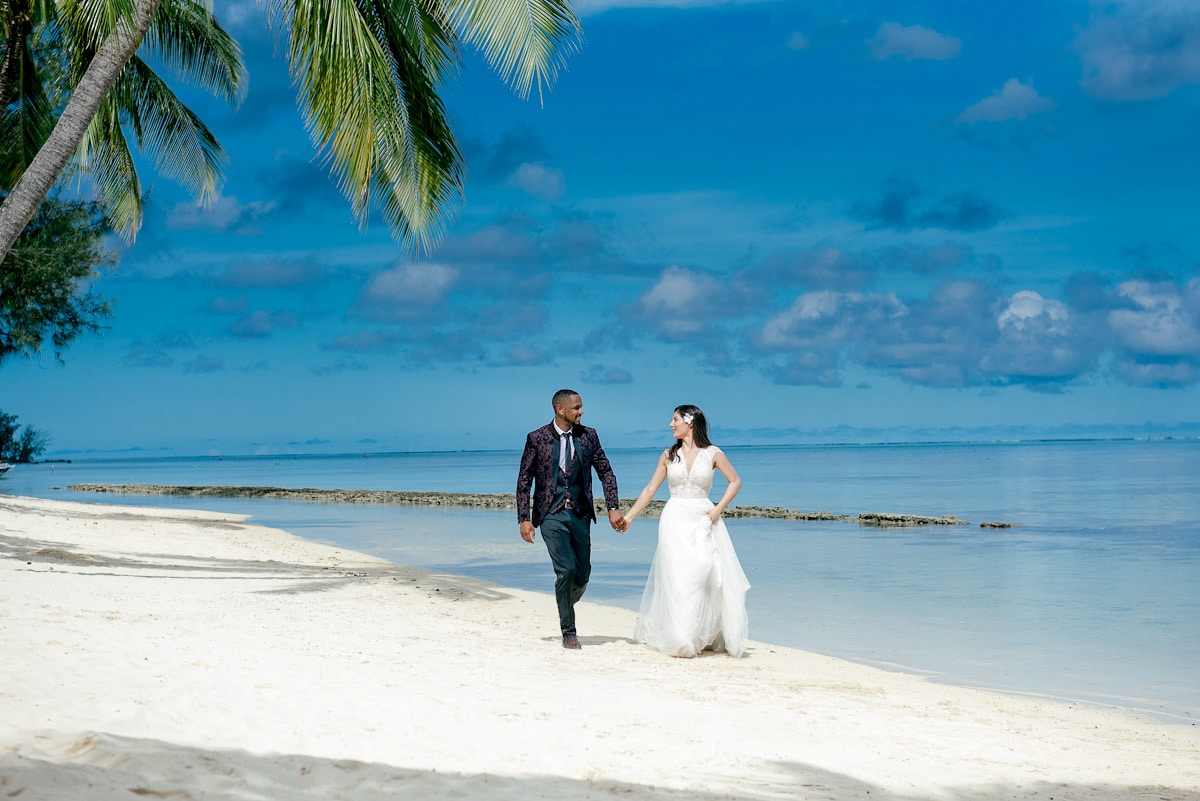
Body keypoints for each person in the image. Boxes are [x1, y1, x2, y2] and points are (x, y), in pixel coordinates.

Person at [621, 404, 750, 658]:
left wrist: (718, 509)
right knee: (677, 578)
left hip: (704, 519)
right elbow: (650, 489)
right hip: (674, 519)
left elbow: (735, 481)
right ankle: (682, 637)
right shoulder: (669, 455)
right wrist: (629, 517)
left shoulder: (713, 453)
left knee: (702, 574)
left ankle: (701, 632)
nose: (671, 424)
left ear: (689, 422)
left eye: (675, 419)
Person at [517, 389, 623, 650]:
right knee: (566, 570)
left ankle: (564, 599)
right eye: (577, 407)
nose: (581, 411)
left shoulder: (589, 436)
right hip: (550, 514)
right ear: (560, 410)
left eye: (581, 407)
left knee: (582, 572)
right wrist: (524, 518)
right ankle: (569, 631)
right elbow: (524, 481)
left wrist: (613, 507)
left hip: (580, 513)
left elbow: (606, 473)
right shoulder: (537, 438)